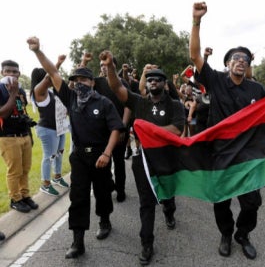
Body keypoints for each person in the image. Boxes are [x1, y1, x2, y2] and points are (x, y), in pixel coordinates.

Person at [189, 2, 265, 260]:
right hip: (221, 154)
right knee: (221, 199)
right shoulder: (215, 81)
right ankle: (225, 233)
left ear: (248, 66)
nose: (240, 62)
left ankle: (242, 234)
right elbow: (195, 55)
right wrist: (196, 21)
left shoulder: (256, 90)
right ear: (228, 63)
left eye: (245, 59)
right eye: (235, 58)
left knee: (252, 202)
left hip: (247, 158)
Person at [27, 36, 125, 259]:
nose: (79, 83)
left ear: (92, 82)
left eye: (84, 79)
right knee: (78, 197)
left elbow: (116, 129)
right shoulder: (70, 98)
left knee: (102, 193)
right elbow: (53, 72)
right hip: (80, 157)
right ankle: (77, 241)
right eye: (76, 79)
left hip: (101, 156)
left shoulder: (104, 103)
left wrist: (108, 153)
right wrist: (38, 51)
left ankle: (105, 220)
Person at [100, 50, 185, 265]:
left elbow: (176, 130)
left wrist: (148, 129)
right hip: (143, 161)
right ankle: (147, 244)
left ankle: (169, 211)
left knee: (167, 195)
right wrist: (110, 67)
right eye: (149, 79)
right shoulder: (139, 103)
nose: (153, 82)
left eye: (158, 79)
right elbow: (116, 87)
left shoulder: (175, 105)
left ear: (165, 84)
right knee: (146, 203)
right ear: (145, 84)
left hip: (167, 159)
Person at [80, 52, 131, 202]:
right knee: (104, 162)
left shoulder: (122, 83)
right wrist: (84, 61)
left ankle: (121, 190)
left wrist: (122, 127)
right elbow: (80, 79)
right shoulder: (97, 82)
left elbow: (128, 106)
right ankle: (109, 184)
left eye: (107, 64)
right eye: (101, 65)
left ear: (113, 66)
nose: (103, 67)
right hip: (101, 132)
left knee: (119, 162)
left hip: (120, 130)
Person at [0, 60, 39, 213]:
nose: (11, 74)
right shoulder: (2, 89)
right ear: (2, 72)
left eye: (14, 72)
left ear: (19, 73)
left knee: (25, 169)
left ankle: (25, 195)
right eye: (8, 71)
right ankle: (15, 199)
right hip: (7, 136)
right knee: (14, 171)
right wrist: (12, 94)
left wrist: (30, 135)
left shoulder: (21, 91)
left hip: (23, 134)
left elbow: (23, 111)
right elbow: (2, 113)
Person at [30, 55, 70, 197]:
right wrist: (57, 63)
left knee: (59, 153)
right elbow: (49, 78)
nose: (53, 78)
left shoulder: (51, 93)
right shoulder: (39, 92)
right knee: (49, 156)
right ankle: (45, 184)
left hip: (58, 128)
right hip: (47, 129)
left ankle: (57, 177)